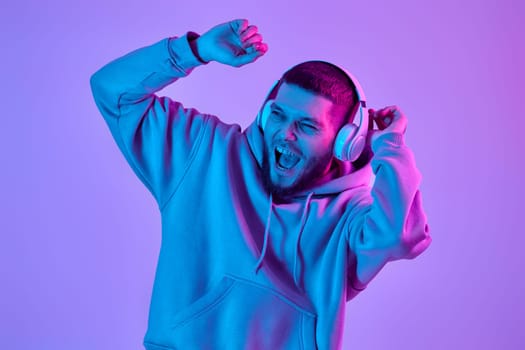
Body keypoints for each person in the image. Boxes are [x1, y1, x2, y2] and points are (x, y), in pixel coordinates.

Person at [90, 18, 432, 350]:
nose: (285, 133)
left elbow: (400, 236)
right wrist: (194, 50)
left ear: (346, 142)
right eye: (278, 114)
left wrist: (390, 146)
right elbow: (113, 90)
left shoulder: (349, 217)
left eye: (308, 126)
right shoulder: (204, 154)